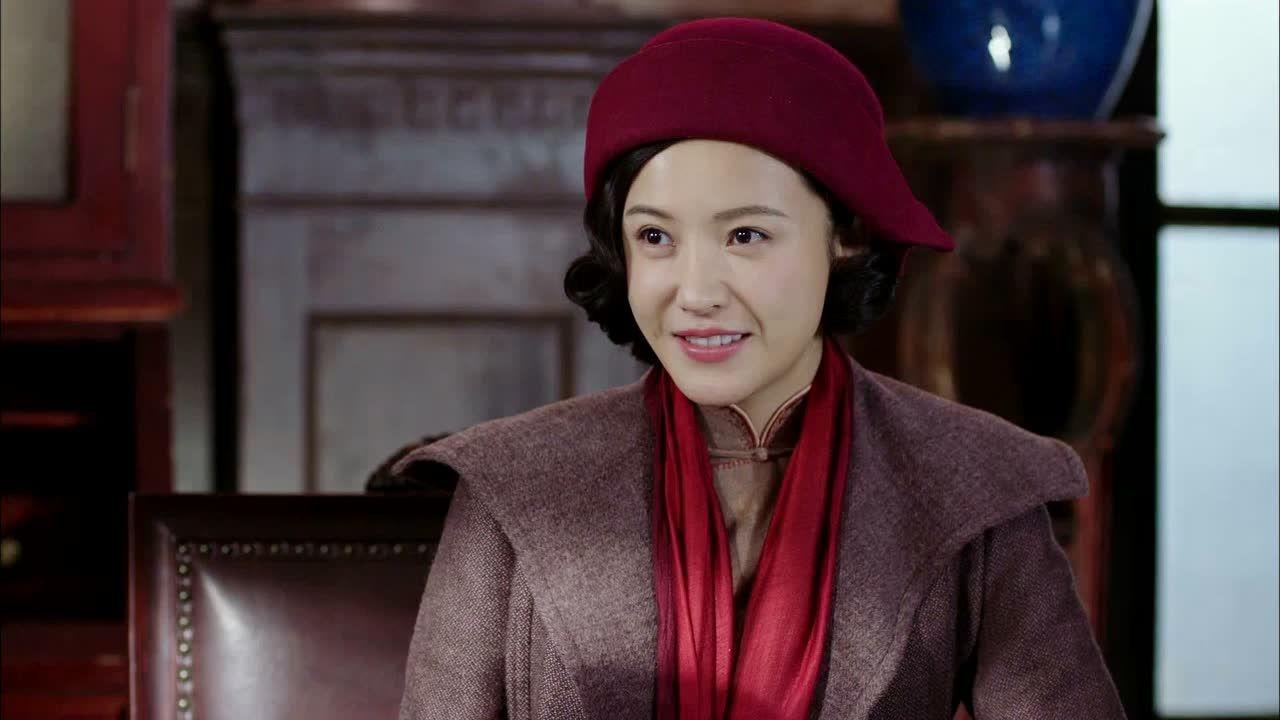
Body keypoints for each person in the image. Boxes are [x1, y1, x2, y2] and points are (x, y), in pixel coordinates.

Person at [392, 17, 1126, 720]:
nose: (696, 293)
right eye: (655, 238)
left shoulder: (977, 489)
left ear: (845, 235)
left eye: (745, 235)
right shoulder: (511, 485)